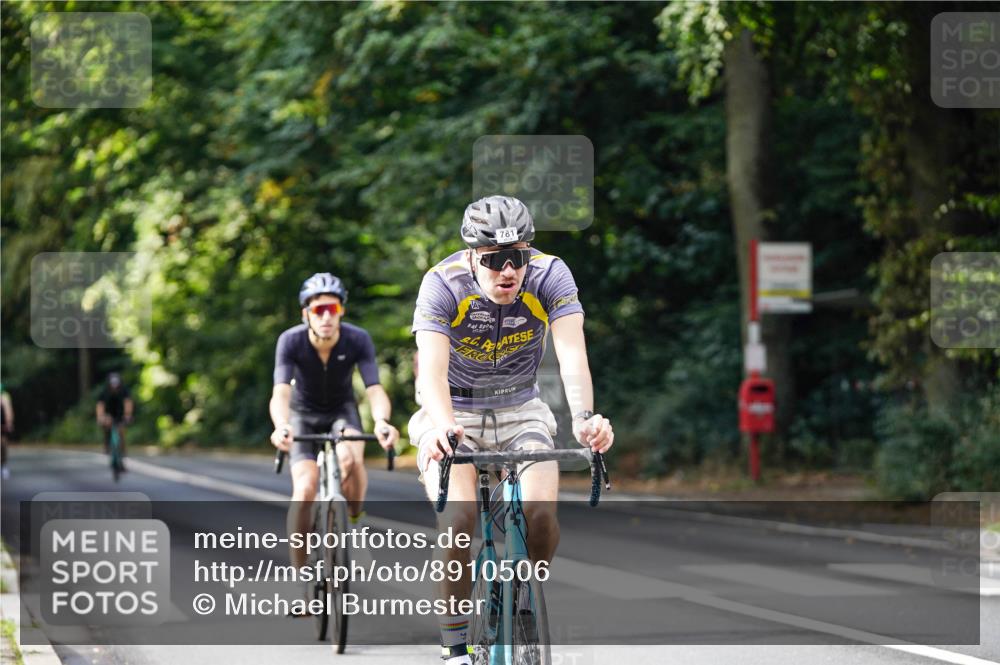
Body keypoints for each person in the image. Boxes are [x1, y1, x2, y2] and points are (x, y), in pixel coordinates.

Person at [408, 195, 614, 664]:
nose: (508, 271)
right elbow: (431, 374)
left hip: (521, 407)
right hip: (454, 410)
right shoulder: (443, 283)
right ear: (472, 258)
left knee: (541, 513)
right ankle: (454, 645)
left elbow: (573, 357)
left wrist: (584, 419)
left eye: (517, 258)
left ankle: (524, 596)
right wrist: (442, 427)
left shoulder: (550, 275)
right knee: (459, 522)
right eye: (494, 260)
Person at [269, 273, 400, 571]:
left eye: (333, 309)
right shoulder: (290, 341)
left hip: (342, 412)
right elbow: (280, 393)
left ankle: (353, 522)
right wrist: (281, 425)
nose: (326, 317)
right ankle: (301, 578)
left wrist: (381, 421)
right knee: (304, 489)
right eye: (318, 310)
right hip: (302, 415)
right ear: (306, 314)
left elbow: (374, 389)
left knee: (350, 459)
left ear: (341, 311)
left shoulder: (357, 339)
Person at [96, 372, 134, 471]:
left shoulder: (124, 391)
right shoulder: (104, 392)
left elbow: (128, 403)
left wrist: (128, 415)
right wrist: (100, 417)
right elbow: (100, 405)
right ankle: (106, 445)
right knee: (107, 426)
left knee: (121, 432)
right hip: (108, 414)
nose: (114, 386)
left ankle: (122, 453)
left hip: (120, 414)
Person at [1, 383, 13, 479]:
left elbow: (8, 411)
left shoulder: (4, 397)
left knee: (3, 443)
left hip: (2, 424)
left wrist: (8, 423)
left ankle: (3, 466)